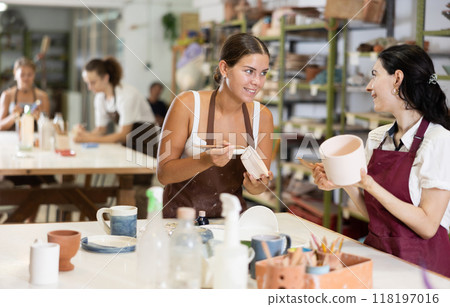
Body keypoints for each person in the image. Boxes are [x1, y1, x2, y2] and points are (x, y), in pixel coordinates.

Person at [312, 44, 450, 277]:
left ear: (397, 79)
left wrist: (370, 185)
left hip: (422, 270)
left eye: (374, 75)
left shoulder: (439, 140)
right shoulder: (377, 138)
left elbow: (427, 226)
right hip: (380, 258)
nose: (368, 86)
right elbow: (377, 217)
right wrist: (342, 179)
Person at [157, 33, 274, 218]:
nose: (257, 82)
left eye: (263, 73)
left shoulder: (263, 117)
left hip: (230, 224)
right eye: (249, 71)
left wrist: (257, 184)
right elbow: (164, 174)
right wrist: (206, 160)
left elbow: (257, 189)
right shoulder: (187, 104)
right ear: (225, 68)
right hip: (181, 223)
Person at [73, 57, 156, 144]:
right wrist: (83, 134)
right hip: (130, 143)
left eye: (93, 82)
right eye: (87, 83)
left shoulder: (127, 95)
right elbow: (101, 130)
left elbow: (123, 136)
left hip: (148, 143)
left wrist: (87, 139)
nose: (89, 88)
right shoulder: (100, 97)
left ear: (105, 78)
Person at [0, 57, 50, 131]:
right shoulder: (7, 95)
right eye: (22, 75)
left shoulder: (42, 96)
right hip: (11, 138)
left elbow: (47, 127)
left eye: (29, 75)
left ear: (34, 75)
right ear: (15, 74)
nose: (26, 78)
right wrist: (13, 116)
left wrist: (39, 118)